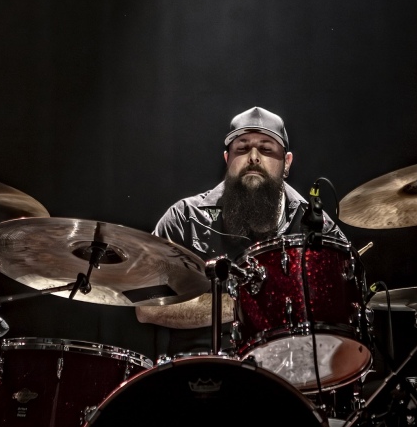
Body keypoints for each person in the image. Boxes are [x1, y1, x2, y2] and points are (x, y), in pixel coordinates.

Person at [136, 106, 350, 358]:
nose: (254, 157)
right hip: (200, 375)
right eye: (242, 148)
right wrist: (245, 304)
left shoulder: (315, 226)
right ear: (228, 160)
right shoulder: (184, 217)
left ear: (287, 163)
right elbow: (146, 307)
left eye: (267, 148)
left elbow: (345, 305)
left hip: (289, 371)